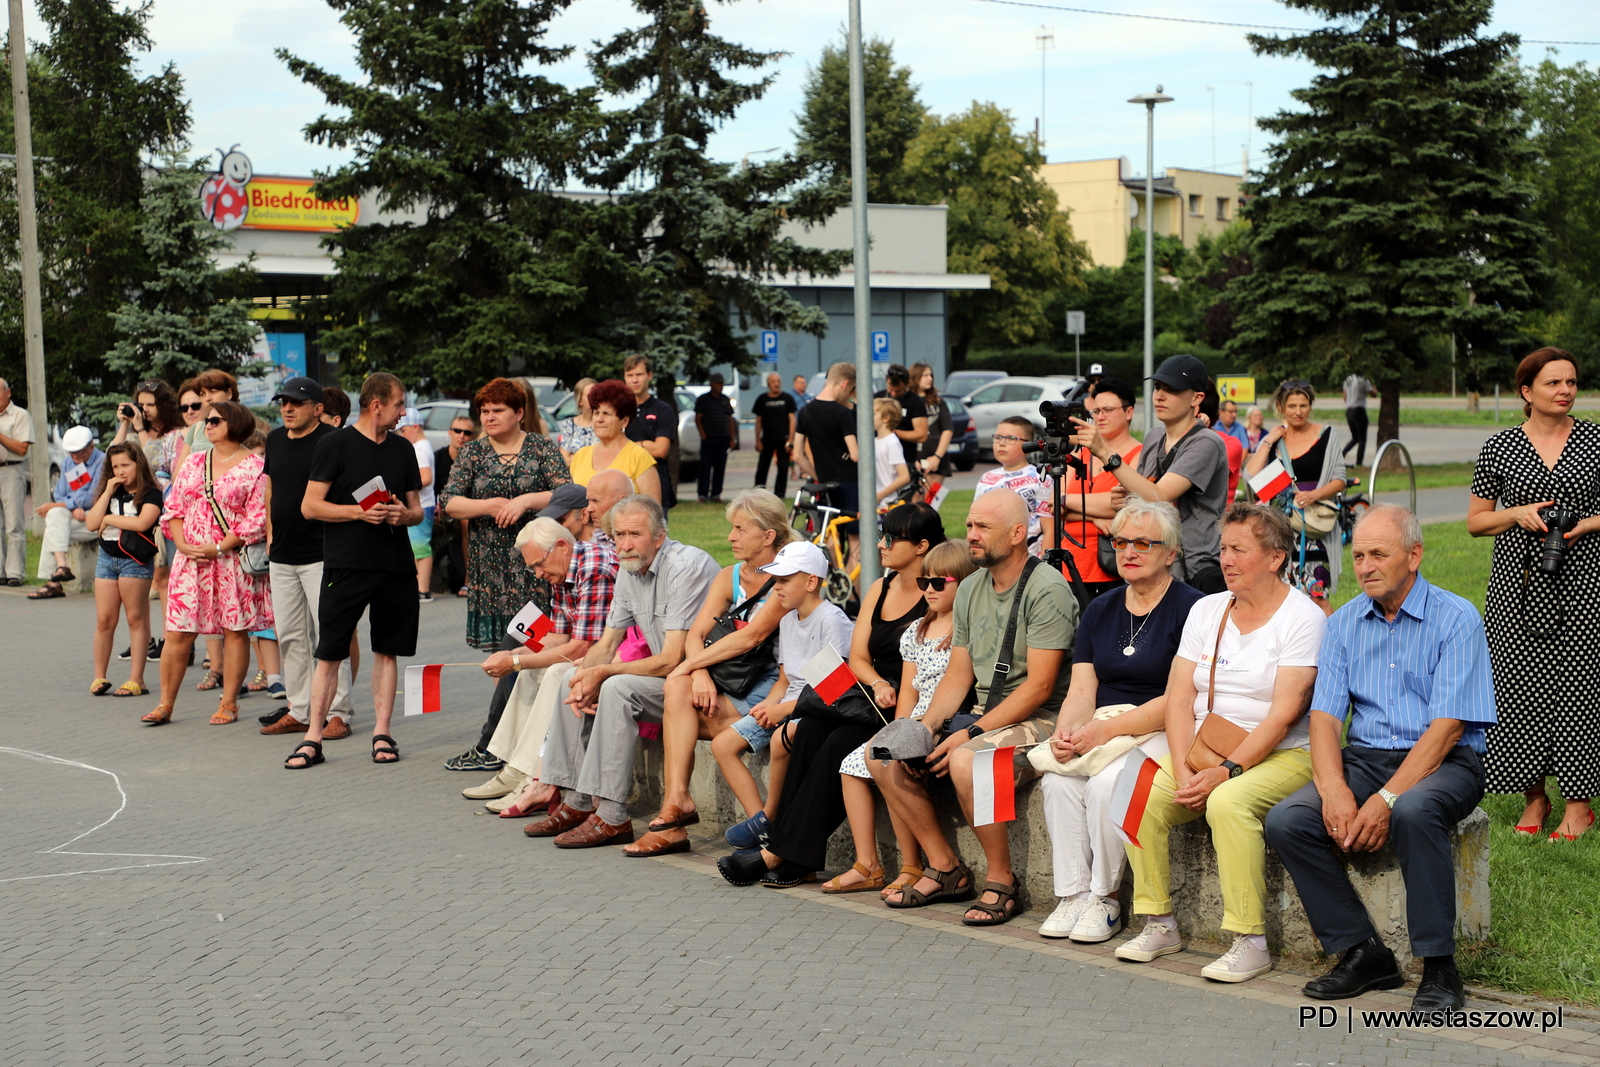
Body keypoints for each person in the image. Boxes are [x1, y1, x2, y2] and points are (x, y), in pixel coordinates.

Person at [1266, 505, 1495, 1012]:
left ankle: (1439, 967)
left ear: (1414, 556)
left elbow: (1448, 727)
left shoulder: (1457, 617)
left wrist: (1387, 800)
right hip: (1366, 757)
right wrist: (1335, 792)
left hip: (1447, 759)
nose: (1365, 565)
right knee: (1288, 820)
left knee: (1414, 811)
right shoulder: (1345, 622)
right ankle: (1363, 952)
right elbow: (1324, 719)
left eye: (1379, 554)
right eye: (1359, 554)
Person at [1115, 504, 1324, 984]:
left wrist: (1226, 771)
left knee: (1228, 803)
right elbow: (1180, 696)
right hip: (1207, 749)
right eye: (1224, 548)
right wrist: (1186, 769)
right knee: (1134, 784)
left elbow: (1284, 713)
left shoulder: (1302, 618)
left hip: (1285, 752)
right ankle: (1159, 922)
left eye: (1239, 550)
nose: (1226, 559)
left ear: (1274, 558)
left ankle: (1250, 942)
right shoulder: (1208, 609)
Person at [869, 490, 1079, 925]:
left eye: (983, 527)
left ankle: (1002, 881)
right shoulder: (969, 588)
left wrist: (970, 733)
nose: (971, 536)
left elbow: (1039, 688)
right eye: (969, 526)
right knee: (884, 752)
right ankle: (945, 866)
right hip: (985, 715)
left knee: (967, 763)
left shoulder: (1048, 588)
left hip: (1044, 719)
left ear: (1018, 534)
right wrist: (924, 728)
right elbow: (958, 676)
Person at [717, 505, 945, 888]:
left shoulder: (937, 591)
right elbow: (856, 658)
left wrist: (888, 692)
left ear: (921, 546)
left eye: (891, 538)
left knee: (835, 743)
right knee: (809, 732)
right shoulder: (881, 587)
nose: (880, 545)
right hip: (870, 696)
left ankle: (781, 852)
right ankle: (791, 854)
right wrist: (876, 683)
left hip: (904, 705)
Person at [1035, 500, 1202, 941]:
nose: (1129, 551)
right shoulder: (1100, 609)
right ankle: (1072, 894)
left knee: (1110, 782)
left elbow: (1181, 698)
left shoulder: (1193, 609)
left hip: (1165, 725)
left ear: (1171, 552)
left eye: (1144, 542)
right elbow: (1082, 690)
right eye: (1121, 541)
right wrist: (1067, 732)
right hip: (1103, 725)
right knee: (1058, 779)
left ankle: (1104, 898)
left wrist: (1105, 730)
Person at [521, 495, 720, 847]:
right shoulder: (630, 567)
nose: (625, 544)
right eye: (619, 535)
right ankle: (577, 801)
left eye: (635, 534)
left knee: (615, 687)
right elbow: (607, 643)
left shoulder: (683, 567)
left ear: (659, 536)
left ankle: (612, 816)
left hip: (702, 682)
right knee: (573, 677)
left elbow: (673, 658)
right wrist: (589, 672)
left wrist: (605, 674)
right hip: (667, 679)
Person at [1468, 347, 1600, 841]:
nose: (1565, 390)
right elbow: (1476, 521)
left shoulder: (1595, 440)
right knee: (1519, 688)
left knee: (1579, 688)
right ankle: (1535, 796)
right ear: (1527, 392)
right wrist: (1515, 514)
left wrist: (1586, 523)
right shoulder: (1500, 446)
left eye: (1571, 382)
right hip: (1517, 587)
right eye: (1553, 383)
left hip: (1583, 580)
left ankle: (1579, 803)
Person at [627, 489, 793, 856]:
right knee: (680, 691)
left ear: (768, 536)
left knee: (676, 703)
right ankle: (677, 800)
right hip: (727, 683)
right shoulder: (729, 576)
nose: (730, 537)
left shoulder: (788, 577)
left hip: (770, 688)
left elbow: (751, 636)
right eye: (731, 528)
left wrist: (688, 666)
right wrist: (697, 672)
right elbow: (696, 634)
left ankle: (678, 811)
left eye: (739, 529)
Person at [282, 373, 423, 769]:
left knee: (387, 651)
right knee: (329, 653)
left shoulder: (402, 449)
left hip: (395, 566)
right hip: (346, 564)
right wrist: (358, 513)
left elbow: (416, 511)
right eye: (398, 404)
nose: (403, 412)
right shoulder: (336, 443)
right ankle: (313, 737)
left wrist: (402, 514)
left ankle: (383, 731)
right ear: (376, 404)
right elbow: (311, 506)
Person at [460, 473, 635, 792]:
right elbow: (559, 636)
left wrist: (515, 661)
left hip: (621, 652)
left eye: (595, 501)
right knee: (523, 658)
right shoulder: (572, 560)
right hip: (600, 645)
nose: (589, 509)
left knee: (553, 673)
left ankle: (530, 776)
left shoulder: (592, 560)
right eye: (588, 502)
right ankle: (512, 766)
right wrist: (513, 657)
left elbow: (583, 646)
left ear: (560, 546)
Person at [829, 536, 970, 895]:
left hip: (946, 719)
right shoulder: (916, 630)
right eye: (925, 582)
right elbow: (908, 689)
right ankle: (869, 863)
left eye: (939, 583)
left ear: (964, 583)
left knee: (890, 764)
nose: (929, 590)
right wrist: (899, 730)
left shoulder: (963, 631)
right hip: (914, 718)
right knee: (855, 762)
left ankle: (913, 864)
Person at [141, 402, 270, 726]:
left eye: (214, 420)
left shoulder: (255, 467)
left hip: (231, 562)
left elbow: (257, 518)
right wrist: (182, 544)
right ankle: (165, 704)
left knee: (234, 630)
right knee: (178, 632)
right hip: (190, 560)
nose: (206, 424)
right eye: (206, 420)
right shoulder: (195, 461)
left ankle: (229, 703)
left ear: (235, 424)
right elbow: (173, 507)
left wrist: (218, 547)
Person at [1071, 354, 1229, 594]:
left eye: (1172, 389)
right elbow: (1143, 496)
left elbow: (1158, 496)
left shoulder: (1207, 442)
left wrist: (1104, 452)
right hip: (1152, 563)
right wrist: (1125, 499)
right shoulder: (1155, 436)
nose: (1159, 396)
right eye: (1157, 387)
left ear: (1196, 398)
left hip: (1192, 571)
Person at [438, 376, 571, 657]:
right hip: (490, 568)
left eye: (497, 410)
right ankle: (507, 701)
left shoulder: (541, 447)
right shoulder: (472, 452)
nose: (489, 417)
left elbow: (566, 493)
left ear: (519, 413)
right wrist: (488, 506)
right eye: (484, 411)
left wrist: (526, 501)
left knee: (539, 644)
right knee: (501, 652)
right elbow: (449, 502)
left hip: (537, 566)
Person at [259, 377, 355, 737]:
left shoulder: (331, 442)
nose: (287, 408)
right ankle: (300, 709)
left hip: (322, 554)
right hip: (282, 555)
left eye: (296, 403)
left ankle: (339, 713)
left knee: (329, 635)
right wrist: (269, 531)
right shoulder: (274, 440)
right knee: (292, 637)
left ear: (318, 409)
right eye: (284, 401)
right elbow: (270, 487)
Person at [1244, 379, 1347, 610]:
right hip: (1279, 530)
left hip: (1312, 528)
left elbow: (1341, 479)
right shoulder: (1275, 439)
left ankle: (1330, 645)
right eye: (1292, 406)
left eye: (1303, 405)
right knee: (1280, 597)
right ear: (1280, 407)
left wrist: (1315, 495)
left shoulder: (1326, 435)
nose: (1298, 412)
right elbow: (1250, 475)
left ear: (1310, 406)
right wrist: (1269, 440)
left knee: (1317, 596)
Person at [84, 443, 164, 697]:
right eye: (115, 466)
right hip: (107, 557)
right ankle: (99, 677)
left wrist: (108, 519)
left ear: (138, 464)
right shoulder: (111, 492)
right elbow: (90, 524)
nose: (120, 471)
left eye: (125, 465)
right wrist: (108, 490)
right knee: (105, 619)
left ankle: (136, 679)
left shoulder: (151, 493)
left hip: (135, 559)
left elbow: (142, 523)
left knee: (135, 618)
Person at [1056, 377, 1143, 597]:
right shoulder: (1080, 453)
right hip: (1071, 565)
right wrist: (1095, 517)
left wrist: (1069, 503)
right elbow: (1054, 504)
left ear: (1129, 412)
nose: (1100, 416)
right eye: (1095, 411)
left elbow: (1123, 506)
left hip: (1112, 567)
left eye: (1108, 410)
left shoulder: (1139, 455)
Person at [29, 425, 104, 599]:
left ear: (91, 447)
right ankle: (62, 567)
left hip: (94, 517)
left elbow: (92, 498)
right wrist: (71, 509)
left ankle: (53, 583)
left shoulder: (102, 461)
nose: (74, 457)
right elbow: (59, 493)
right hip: (73, 517)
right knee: (55, 517)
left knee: (53, 524)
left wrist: (67, 506)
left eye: (79, 452)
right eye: (71, 452)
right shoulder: (69, 462)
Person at [794, 361, 860, 556]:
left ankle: (830, 581)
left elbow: (797, 454)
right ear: (844, 384)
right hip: (850, 483)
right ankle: (852, 585)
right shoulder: (842, 413)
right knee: (855, 540)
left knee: (830, 537)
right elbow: (855, 454)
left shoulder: (806, 411)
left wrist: (819, 476)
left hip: (826, 486)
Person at [568, 379, 661, 503]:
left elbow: (653, 512)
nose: (599, 419)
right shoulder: (580, 456)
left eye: (606, 414)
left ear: (624, 421)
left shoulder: (639, 457)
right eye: (596, 413)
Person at [973, 416, 1051, 557]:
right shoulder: (986, 478)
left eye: (1011, 438)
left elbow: (1050, 529)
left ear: (1029, 444)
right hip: (992, 556)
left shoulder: (1040, 477)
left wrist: (1045, 565)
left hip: (1029, 557)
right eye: (998, 437)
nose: (1002, 443)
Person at [622, 354, 678, 511]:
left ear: (649, 375)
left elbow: (661, 450)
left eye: (639, 374)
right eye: (630, 375)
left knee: (655, 532)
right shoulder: (619, 410)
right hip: (623, 486)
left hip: (656, 484)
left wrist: (628, 447)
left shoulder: (663, 409)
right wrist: (646, 445)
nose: (634, 380)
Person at [434, 412, 476, 596]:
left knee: (466, 522)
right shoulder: (438, 458)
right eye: (457, 431)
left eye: (467, 433)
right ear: (449, 432)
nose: (462, 436)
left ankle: (468, 580)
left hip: (464, 511)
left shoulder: (475, 460)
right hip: (439, 511)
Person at [396, 408, 436, 602]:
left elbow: (426, 477)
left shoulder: (418, 449)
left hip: (423, 503)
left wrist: (407, 484)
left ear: (415, 427)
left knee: (421, 550)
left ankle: (423, 589)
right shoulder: (425, 446)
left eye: (403, 431)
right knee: (419, 549)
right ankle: (421, 588)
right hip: (427, 503)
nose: (402, 435)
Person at [0, 377, 33, 586]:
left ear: (8, 393)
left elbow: (22, 448)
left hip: (11, 470)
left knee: (13, 524)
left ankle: (14, 573)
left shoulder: (20, 415)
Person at [874, 363, 929, 474]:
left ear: (907, 384)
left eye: (898, 391)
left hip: (905, 458)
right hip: (878, 458)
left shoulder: (916, 402)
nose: (894, 393)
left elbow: (922, 435)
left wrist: (894, 433)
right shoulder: (877, 399)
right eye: (890, 389)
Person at [751, 372, 797, 499]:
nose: (776, 384)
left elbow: (792, 419)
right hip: (767, 440)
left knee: (783, 468)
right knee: (762, 468)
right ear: (768, 384)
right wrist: (757, 440)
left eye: (778, 381)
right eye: (773, 381)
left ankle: (779, 495)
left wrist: (791, 439)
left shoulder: (787, 398)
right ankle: (758, 494)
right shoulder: (762, 399)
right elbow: (758, 421)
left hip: (784, 440)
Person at [694, 373, 736, 504]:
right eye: (718, 383)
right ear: (712, 384)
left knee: (720, 467)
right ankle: (702, 494)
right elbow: (698, 419)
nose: (721, 386)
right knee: (705, 467)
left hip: (723, 438)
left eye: (722, 383)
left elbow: (730, 419)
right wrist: (703, 435)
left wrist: (732, 438)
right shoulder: (703, 399)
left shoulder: (725, 400)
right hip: (709, 438)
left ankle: (716, 494)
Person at [1200, 383, 1244, 503]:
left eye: (1235, 411)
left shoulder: (1235, 434)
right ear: (1221, 412)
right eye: (1230, 411)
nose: (1233, 415)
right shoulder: (1161, 438)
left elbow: (1244, 449)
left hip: (1217, 520)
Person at [909, 362, 953, 480]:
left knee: (932, 496)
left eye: (931, 375)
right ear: (915, 377)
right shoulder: (908, 402)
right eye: (925, 375)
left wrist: (937, 457)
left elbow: (947, 430)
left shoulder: (939, 402)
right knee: (915, 497)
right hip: (914, 458)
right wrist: (912, 460)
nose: (930, 378)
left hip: (936, 460)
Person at [873, 398, 911, 505]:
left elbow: (904, 476)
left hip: (887, 501)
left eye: (874, 414)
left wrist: (880, 495)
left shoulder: (892, 442)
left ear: (886, 418)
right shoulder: (873, 441)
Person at [557, 377, 597, 464]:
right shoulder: (569, 424)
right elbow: (564, 460)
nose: (595, 398)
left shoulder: (604, 423)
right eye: (590, 395)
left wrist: (574, 456)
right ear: (580, 401)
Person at [1341, 373, 1377, 467]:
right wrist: (1374, 388)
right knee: (1362, 438)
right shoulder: (1364, 380)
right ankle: (1359, 462)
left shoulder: (1348, 379)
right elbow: (1373, 394)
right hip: (1359, 410)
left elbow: (1345, 397)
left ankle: (1342, 454)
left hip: (1349, 410)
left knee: (1355, 437)